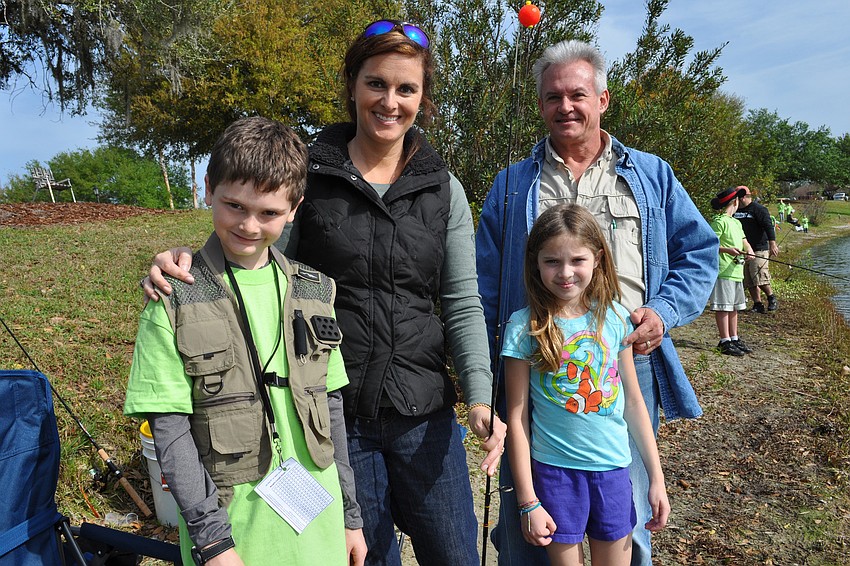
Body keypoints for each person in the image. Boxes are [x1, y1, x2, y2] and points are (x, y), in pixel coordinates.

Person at [142, 20, 506, 566]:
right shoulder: (311, 175)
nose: (390, 101)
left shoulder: (444, 188)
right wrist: (182, 267)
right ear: (352, 85)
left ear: (423, 97)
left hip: (424, 413)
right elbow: (245, 250)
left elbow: (459, 299)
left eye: (406, 88)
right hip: (336, 417)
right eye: (376, 83)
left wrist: (480, 396)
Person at [475, 40, 718, 566]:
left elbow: (700, 252)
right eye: (553, 96)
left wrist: (664, 312)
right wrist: (480, 378)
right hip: (538, 369)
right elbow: (483, 285)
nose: (566, 106)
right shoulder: (513, 185)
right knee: (532, 526)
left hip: (628, 365)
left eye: (577, 94)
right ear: (540, 104)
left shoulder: (651, 175)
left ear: (603, 99)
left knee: (627, 522)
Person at [124, 116, 367, 566]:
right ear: (209, 187)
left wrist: (351, 517)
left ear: (294, 208)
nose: (250, 226)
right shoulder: (171, 298)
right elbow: (170, 430)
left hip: (322, 526)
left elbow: (332, 412)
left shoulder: (317, 292)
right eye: (234, 205)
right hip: (232, 540)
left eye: (269, 213)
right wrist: (213, 542)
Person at [503, 204, 670, 565]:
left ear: (597, 259)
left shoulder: (616, 319)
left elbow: (634, 405)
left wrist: (656, 478)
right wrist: (528, 500)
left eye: (577, 260)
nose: (565, 273)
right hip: (554, 475)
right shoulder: (522, 327)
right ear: (535, 263)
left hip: (613, 472)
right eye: (552, 261)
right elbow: (516, 419)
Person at [709, 186, 755, 356]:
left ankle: (734, 338)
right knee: (724, 307)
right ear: (735, 202)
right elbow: (710, 244)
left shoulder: (736, 222)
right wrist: (727, 250)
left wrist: (749, 250)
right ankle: (724, 341)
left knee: (734, 307)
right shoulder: (719, 221)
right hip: (724, 272)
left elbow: (744, 241)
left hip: (737, 271)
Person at [732, 185, 779, 313]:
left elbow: (768, 226)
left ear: (743, 197)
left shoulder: (759, 209)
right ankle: (757, 303)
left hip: (759, 248)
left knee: (759, 275)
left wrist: (772, 244)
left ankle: (771, 297)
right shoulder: (734, 211)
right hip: (744, 249)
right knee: (749, 279)